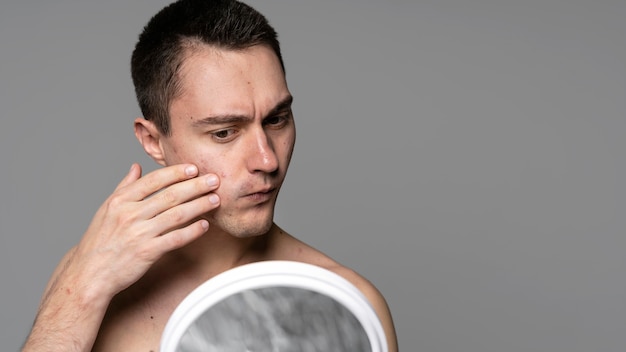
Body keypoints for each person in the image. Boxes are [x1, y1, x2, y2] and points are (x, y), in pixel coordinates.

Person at [22, 0, 398, 351]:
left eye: (276, 119)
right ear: (153, 141)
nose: (267, 161)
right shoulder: (86, 277)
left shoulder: (346, 301)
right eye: (224, 133)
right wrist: (81, 291)